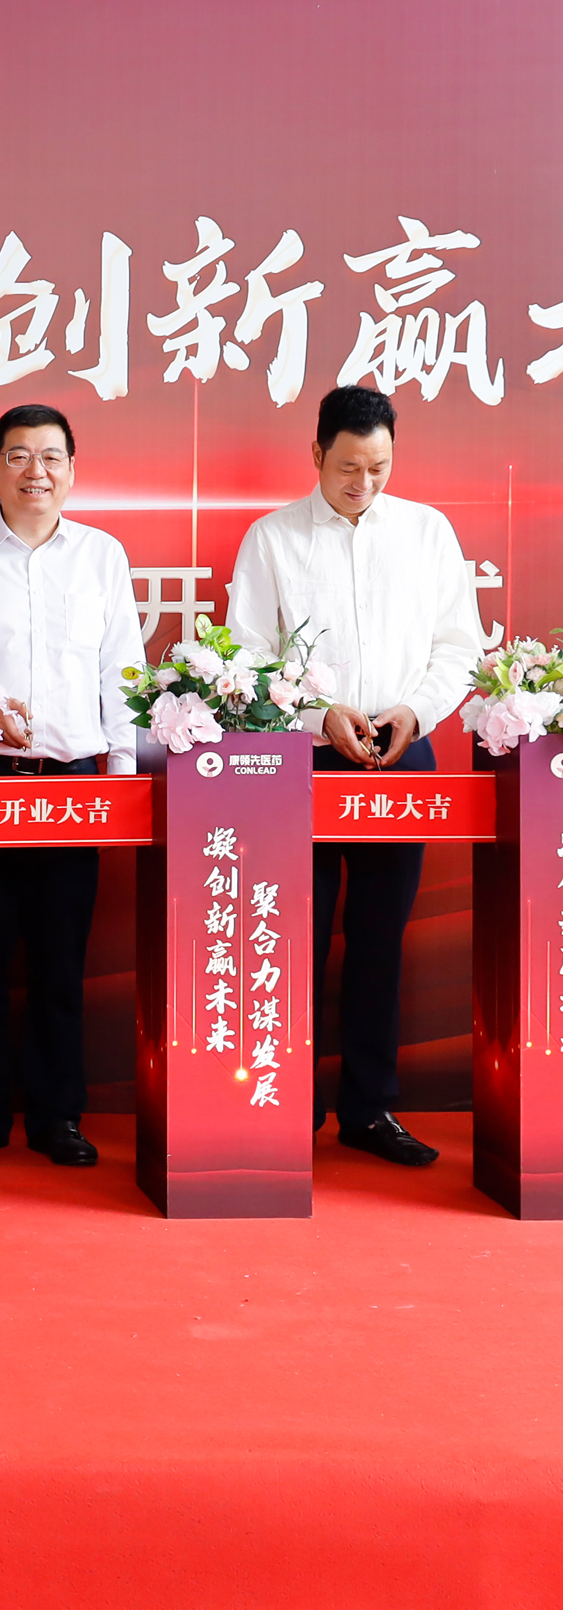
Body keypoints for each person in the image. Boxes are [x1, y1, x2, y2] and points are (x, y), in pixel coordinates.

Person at [226, 385, 481, 1167]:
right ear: (316, 454)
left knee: (380, 939)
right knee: (292, 938)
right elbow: (247, 657)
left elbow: (458, 646)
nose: (363, 484)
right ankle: (287, 1109)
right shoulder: (272, 539)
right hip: (300, 760)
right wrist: (317, 715)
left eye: (378, 468)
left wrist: (416, 711)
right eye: (347, 468)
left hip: (402, 751)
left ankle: (369, 1109)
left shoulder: (427, 533)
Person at [0, 403, 145, 1169]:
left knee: (60, 959)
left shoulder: (102, 556)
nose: (34, 471)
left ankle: (56, 1115)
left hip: (72, 788)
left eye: (50, 457)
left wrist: (120, 779)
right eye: (18, 456)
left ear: (72, 470)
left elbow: (123, 672)